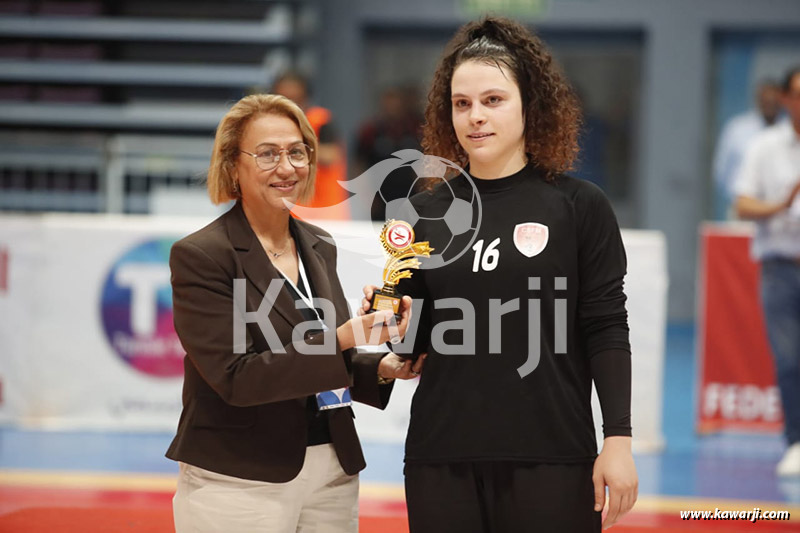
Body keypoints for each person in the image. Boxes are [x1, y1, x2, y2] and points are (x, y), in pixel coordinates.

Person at [362, 17, 637, 532]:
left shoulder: (580, 206)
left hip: (554, 455)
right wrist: (389, 316)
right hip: (440, 456)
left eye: (493, 100)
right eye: (462, 103)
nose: (475, 117)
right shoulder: (416, 213)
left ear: (529, 105)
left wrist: (617, 438)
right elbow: (414, 336)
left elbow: (605, 326)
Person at [167, 94, 423, 532]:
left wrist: (382, 366)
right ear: (233, 165)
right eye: (267, 154)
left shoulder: (318, 243)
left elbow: (319, 362)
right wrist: (342, 336)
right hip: (240, 476)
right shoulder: (202, 256)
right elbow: (237, 376)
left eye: (297, 151)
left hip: (332, 469)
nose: (286, 168)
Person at [734, 66, 800, 477]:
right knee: (790, 359)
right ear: (786, 98)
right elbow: (743, 204)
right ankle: (796, 442)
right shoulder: (765, 146)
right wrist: (779, 204)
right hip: (781, 267)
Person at [273, 72, 350, 219]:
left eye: (295, 98)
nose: (290, 104)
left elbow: (330, 155)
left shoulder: (321, 121)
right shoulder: (273, 125)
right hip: (290, 212)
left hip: (324, 211)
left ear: (305, 97)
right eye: (284, 98)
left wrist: (294, 150)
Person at [713, 79, 783, 219]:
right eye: (766, 100)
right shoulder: (738, 129)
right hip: (743, 208)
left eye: (774, 101)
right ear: (758, 99)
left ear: (782, 101)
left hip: (779, 212)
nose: (770, 105)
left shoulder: (788, 130)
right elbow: (721, 172)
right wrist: (740, 198)